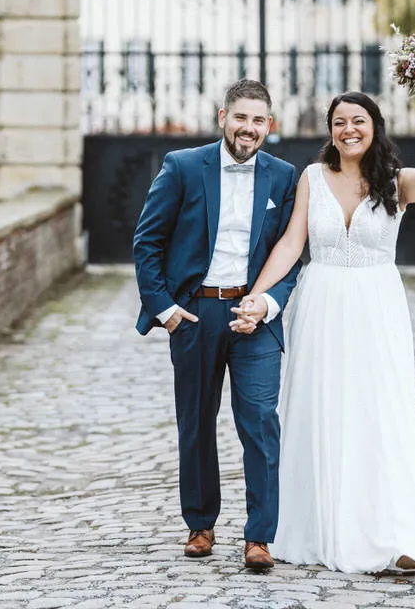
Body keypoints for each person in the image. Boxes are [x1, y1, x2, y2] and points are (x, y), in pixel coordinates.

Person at [230, 88, 415, 574]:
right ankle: (317, 528)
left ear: (374, 127)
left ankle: (395, 535)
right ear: (331, 131)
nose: (349, 129)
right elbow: (293, 242)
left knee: (380, 413)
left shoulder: (396, 183)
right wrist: (256, 294)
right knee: (323, 410)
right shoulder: (313, 178)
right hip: (321, 304)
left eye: (358, 120)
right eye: (339, 122)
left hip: (378, 306)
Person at [133, 79, 302, 570]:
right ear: (222, 117)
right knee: (196, 422)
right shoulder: (183, 167)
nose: (249, 128)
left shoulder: (285, 176)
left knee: (260, 424)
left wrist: (268, 304)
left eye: (259, 120)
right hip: (196, 314)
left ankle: (259, 537)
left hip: (255, 317)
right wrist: (165, 311)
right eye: (241, 117)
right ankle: (200, 525)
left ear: (269, 126)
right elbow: (147, 242)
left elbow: (290, 258)